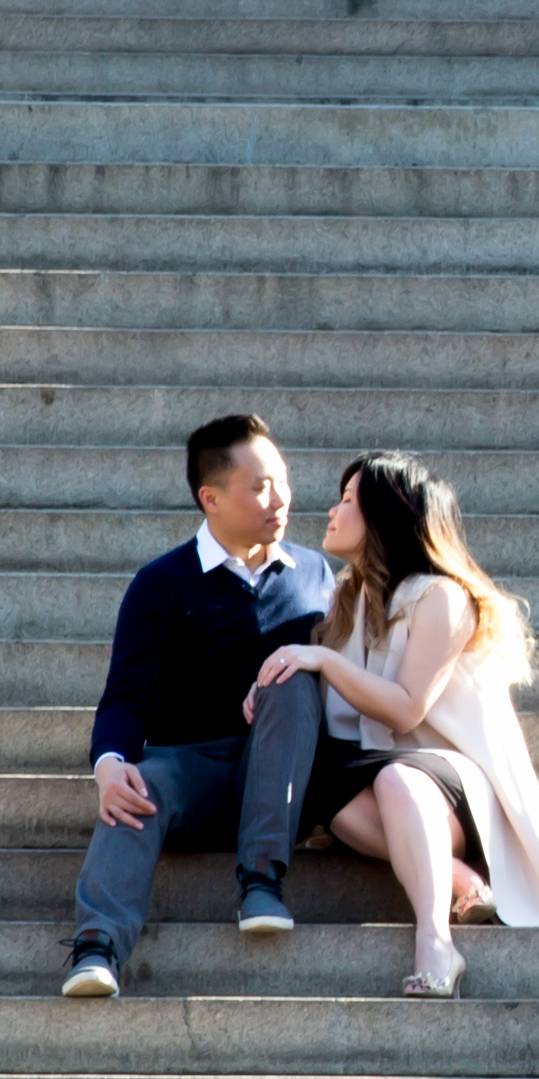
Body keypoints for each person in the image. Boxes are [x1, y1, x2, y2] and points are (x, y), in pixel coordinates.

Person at [245, 453, 539, 997]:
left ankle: (435, 942)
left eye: (348, 500)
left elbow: (407, 708)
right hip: (381, 776)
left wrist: (321, 660)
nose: (332, 511)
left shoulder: (443, 598)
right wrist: (274, 684)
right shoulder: (348, 600)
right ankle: (459, 877)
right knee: (315, 771)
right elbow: (328, 703)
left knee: (397, 779)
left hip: (460, 784)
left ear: (385, 515)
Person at [61, 414, 336, 998]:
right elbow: (127, 694)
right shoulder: (162, 582)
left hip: (289, 771)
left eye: (282, 481)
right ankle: (97, 946)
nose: (280, 499)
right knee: (137, 788)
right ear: (211, 498)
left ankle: (261, 881)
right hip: (194, 769)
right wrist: (109, 763)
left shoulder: (314, 572)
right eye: (259, 487)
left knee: (292, 677)